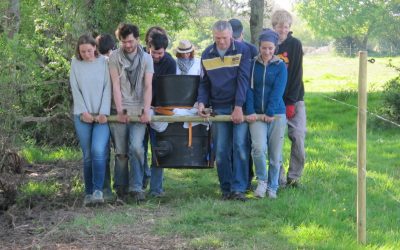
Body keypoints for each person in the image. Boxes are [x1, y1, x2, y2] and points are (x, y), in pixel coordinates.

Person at [197, 20, 251, 201]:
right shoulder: (206, 54)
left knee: (240, 147)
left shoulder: (242, 50)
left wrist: (238, 107)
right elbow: (204, 84)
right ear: (213, 36)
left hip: (238, 106)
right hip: (218, 107)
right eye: (217, 38)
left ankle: (240, 188)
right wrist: (202, 103)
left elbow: (243, 79)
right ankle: (226, 188)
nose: (221, 42)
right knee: (220, 151)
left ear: (231, 35)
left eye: (225, 38)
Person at [108, 23, 154, 202]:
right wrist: (119, 111)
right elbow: (116, 86)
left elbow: (148, 86)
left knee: (136, 147)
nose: (127, 45)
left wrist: (146, 110)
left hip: (139, 108)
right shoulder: (114, 58)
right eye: (124, 42)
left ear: (137, 39)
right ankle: (120, 189)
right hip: (119, 108)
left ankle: (137, 187)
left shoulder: (146, 59)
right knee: (121, 153)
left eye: (130, 41)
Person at [70, 34, 111, 206]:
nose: (86, 54)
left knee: (98, 151)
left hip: (102, 115)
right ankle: (88, 193)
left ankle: (98, 191)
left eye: (89, 50)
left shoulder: (104, 62)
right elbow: (75, 88)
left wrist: (103, 112)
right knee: (87, 155)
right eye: (83, 51)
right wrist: (83, 112)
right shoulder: (75, 63)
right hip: (82, 115)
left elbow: (108, 87)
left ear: (95, 47)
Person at [245, 29, 287, 199]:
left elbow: (278, 90)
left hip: (276, 114)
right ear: (259, 47)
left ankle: (273, 186)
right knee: (258, 148)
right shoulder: (252, 64)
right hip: (256, 114)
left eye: (270, 48)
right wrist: (250, 111)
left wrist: (270, 111)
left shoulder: (280, 66)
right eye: (264, 48)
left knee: (275, 155)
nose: (267, 51)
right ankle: (262, 181)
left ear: (275, 48)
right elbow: (248, 89)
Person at [272, 10, 306, 188]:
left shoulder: (295, 44)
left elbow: (295, 74)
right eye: (279, 27)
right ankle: (279, 177)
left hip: (294, 98)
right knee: (276, 140)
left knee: (298, 136)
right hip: (274, 101)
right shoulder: (269, 44)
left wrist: (291, 102)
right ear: (274, 26)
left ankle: (294, 176)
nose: (283, 30)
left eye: (286, 27)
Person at [229, 18, 257, 191]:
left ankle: (246, 179)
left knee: (243, 143)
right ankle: (234, 179)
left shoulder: (251, 50)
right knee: (229, 144)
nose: (233, 43)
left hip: (246, 103)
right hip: (226, 101)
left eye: (236, 39)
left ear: (242, 35)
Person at [147, 32, 177, 197]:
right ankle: (141, 181)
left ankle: (156, 189)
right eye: (154, 53)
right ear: (148, 48)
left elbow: (170, 88)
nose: (157, 56)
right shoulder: (143, 59)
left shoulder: (170, 63)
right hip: (141, 108)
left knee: (158, 148)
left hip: (159, 110)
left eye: (160, 53)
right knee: (138, 148)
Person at [95, 33, 116, 203]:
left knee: (122, 151)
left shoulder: (116, 61)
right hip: (101, 113)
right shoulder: (96, 64)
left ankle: (118, 187)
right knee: (103, 151)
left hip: (115, 111)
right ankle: (105, 187)